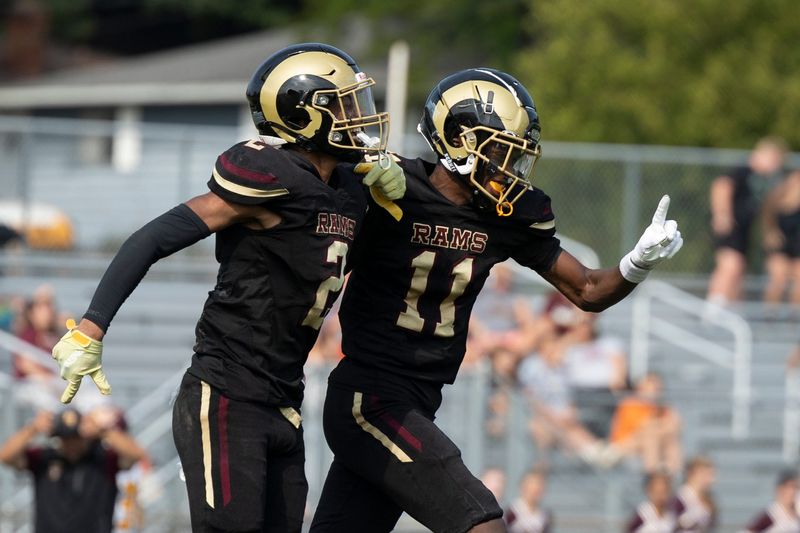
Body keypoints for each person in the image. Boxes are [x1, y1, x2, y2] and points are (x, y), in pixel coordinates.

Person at [49, 43, 404, 533]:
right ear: (303, 116)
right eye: (340, 105)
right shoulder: (272, 175)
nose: (355, 117)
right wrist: (92, 326)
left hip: (283, 398)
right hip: (225, 394)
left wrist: (391, 198)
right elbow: (153, 236)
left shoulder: (350, 189)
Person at [309, 68, 683, 533]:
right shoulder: (389, 187)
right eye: (501, 151)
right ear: (459, 141)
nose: (509, 167)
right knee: (483, 522)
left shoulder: (505, 215)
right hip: (370, 398)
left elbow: (587, 289)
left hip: (420, 399)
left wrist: (636, 263)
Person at [0, 408, 146, 533]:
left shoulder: (102, 459)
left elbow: (136, 454)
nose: (71, 443)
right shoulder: (45, 458)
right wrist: (33, 428)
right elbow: (6, 456)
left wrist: (103, 431)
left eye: (76, 438)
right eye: (65, 438)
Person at [707, 137, 787, 305]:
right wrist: (722, 214)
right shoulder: (743, 169)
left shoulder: (760, 179)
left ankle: (728, 308)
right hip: (731, 226)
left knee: (739, 268)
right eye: (774, 161)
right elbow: (721, 185)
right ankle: (714, 309)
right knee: (730, 264)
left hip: (743, 228)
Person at [608, 373, 683, 475]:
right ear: (640, 389)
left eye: (658, 388)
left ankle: (672, 475)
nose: (655, 392)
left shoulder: (662, 407)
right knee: (650, 436)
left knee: (671, 440)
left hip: (653, 442)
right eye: (652, 388)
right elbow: (643, 428)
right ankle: (652, 477)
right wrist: (664, 426)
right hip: (624, 444)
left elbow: (676, 425)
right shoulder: (630, 404)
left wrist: (665, 426)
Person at [762, 169, 800, 311]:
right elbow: (767, 221)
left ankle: (794, 318)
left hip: (797, 245)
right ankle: (769, 315)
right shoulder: (776, 200)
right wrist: (770, 234)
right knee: (779, 276)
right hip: (781, 244)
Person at [674, 456, 717, 533]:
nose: (711, 480)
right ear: (694, 473)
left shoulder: (709, 501)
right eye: (707, 474)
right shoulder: (679, 499)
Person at [504, 468, 553, 533]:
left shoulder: (544, 516)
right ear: (523, 487)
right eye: (532, 488)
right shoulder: (511, 514)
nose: (536, 491)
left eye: (539, 488)